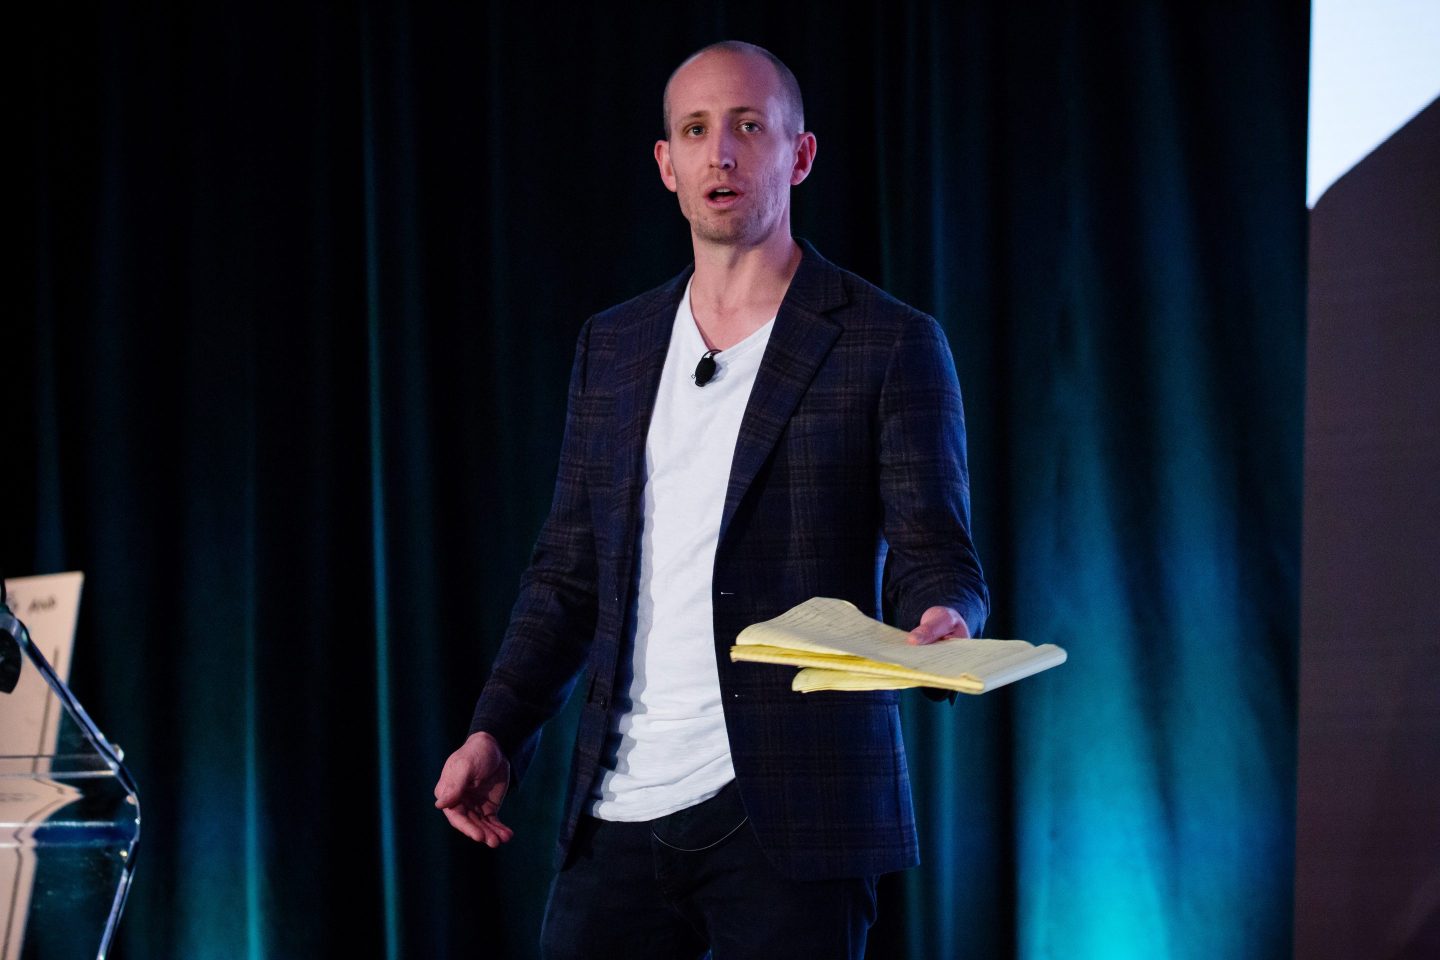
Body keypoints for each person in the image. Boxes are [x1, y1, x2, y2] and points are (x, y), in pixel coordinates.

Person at [434, 40, 988, 959]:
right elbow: (566, 576)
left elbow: (937, 550)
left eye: (748, 126)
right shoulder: (613, 346)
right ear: (667, 164)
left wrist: (944, 619)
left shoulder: (888, 342)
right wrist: (497, 729)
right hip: (619, 801)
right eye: (695, 131)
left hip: (795, 809)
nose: (720, 153)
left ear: (799, 155)